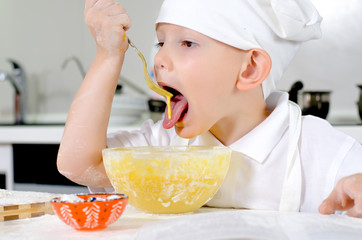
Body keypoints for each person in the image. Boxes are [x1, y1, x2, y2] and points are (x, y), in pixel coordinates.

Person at [57, 0, 362, 217]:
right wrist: (108, 56)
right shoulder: (163, 148)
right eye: (160, 43)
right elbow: (78, 164)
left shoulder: (321, 151)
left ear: (250, 69)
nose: (160, 59)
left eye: (187, 43)